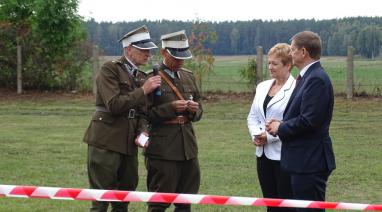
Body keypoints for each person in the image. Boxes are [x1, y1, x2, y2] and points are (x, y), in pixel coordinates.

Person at [83, 25, 161, 212]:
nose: (148, 54)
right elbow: (114, 105)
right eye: (143, 50)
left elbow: (143, 111)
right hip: (106, 141)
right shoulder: (110, 69)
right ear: (128, 49)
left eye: (149, 50)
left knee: (124, 198)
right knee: (100, 200)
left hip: (128, 144)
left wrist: (143, 131)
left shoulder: (142, 76)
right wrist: (143, 90)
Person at [266, 31, 336, 212]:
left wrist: (281, 127)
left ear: (303, 52)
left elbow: (309, 120)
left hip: (310, 161)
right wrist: (281, 123)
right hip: (302, 160)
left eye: (293, 50)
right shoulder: (307, 77)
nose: (290, 54)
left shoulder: (317, 79)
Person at [144, 30, 203, 212]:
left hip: (188, 148)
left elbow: (200, 109)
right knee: (159, 203)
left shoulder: (188, 76)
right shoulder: (151, 78)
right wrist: (170, 108)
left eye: (183, 58)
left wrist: (194, 110)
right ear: (163, 53)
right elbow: (144, 114)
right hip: (163, 150)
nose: (180, 62)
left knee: (185, 201)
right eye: (175, 58)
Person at [247, 43, 296, 212]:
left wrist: (269, 137)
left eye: (275, 64)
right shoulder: (262, 87)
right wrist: (256, 134)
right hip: (262, 155)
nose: (270, 67)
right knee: (270, 203)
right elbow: (253, 116)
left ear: (288, 65)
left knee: (286, 205)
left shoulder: (296, 89)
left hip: (285, 154)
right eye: (269, 63)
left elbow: (294, 123)